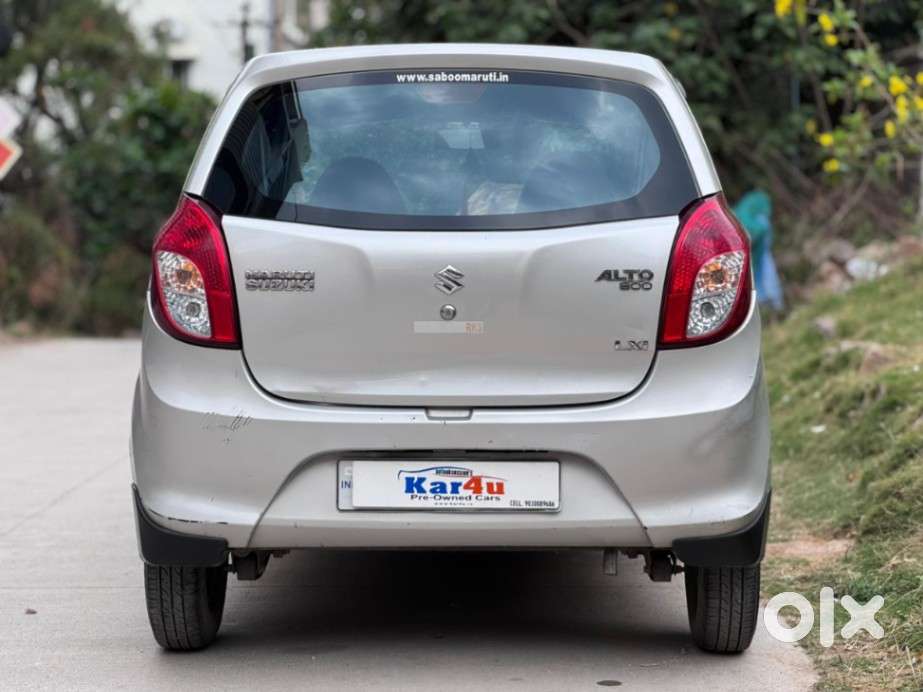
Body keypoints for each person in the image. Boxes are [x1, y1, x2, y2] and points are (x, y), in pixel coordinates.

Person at [734, 189, 784, 311]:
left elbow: (759, 230)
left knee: (764, 268)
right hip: (755, 241)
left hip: (758, 238)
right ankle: (773, 303)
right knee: (762, 269)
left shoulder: (746, 217)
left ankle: (774, 303)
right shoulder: (740, 213)